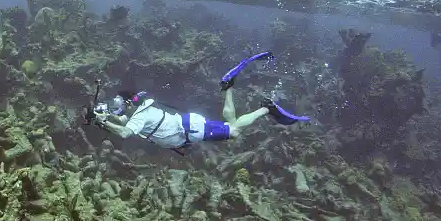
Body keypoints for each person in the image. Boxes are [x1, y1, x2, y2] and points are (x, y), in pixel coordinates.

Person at [94, 52, 308, 152]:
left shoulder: (139, 116)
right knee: (231, 122)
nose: (119, 108)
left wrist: (102, 123)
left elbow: (124, 132)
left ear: (130, 102)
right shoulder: (141, 109)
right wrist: (104, 117)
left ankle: (265, 108)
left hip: (190, 130)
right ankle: (228, 87)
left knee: (233, 131)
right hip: (189, 124)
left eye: (120, 103)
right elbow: (123, 121)